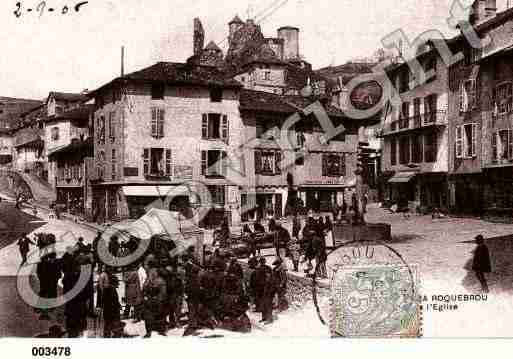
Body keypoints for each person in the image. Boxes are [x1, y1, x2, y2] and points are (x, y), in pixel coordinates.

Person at [142, 261, 167, 338]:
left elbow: (144, 288)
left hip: (152, 299)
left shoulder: (151, 277)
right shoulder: (159, 279)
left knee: (151, 316)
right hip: (155, 299)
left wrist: (147, 297)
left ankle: (150, 331)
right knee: (159, 315)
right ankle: (160, 330)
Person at [254, 257, 273, 324]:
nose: (262, 263)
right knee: (264, 304)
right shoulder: (260, 269)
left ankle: (269, 318)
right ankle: (264, 317)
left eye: (262, 261)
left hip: (266, 289)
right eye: (262, 261)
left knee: (267, 304)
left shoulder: (267, 269)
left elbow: (269, 279)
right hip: (262, 289)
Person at [165, 263, 184, 329]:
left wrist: (181, 295)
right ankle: (172, 322)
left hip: (176, 295)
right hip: (172, 296)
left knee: (177, 310)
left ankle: (177, 322)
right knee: (171, 310)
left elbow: (181, 287)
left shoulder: (177, 279)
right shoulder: (168, 279)